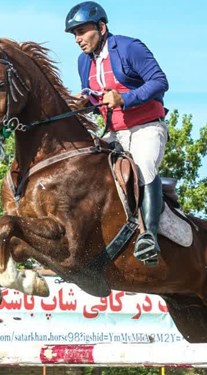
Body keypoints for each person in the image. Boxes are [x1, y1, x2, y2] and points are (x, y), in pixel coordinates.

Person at [65, 1, 169, 266]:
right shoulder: (83, 62)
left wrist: (125, 99)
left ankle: (149, 236)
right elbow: (96, 99)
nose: (78, 39)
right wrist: (84, 104)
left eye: (82, 31)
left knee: (144, 167)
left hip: (146, 128)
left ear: (101, 27)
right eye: (74, 34)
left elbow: (160, 82)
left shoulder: (129, 47)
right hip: (114, 134)